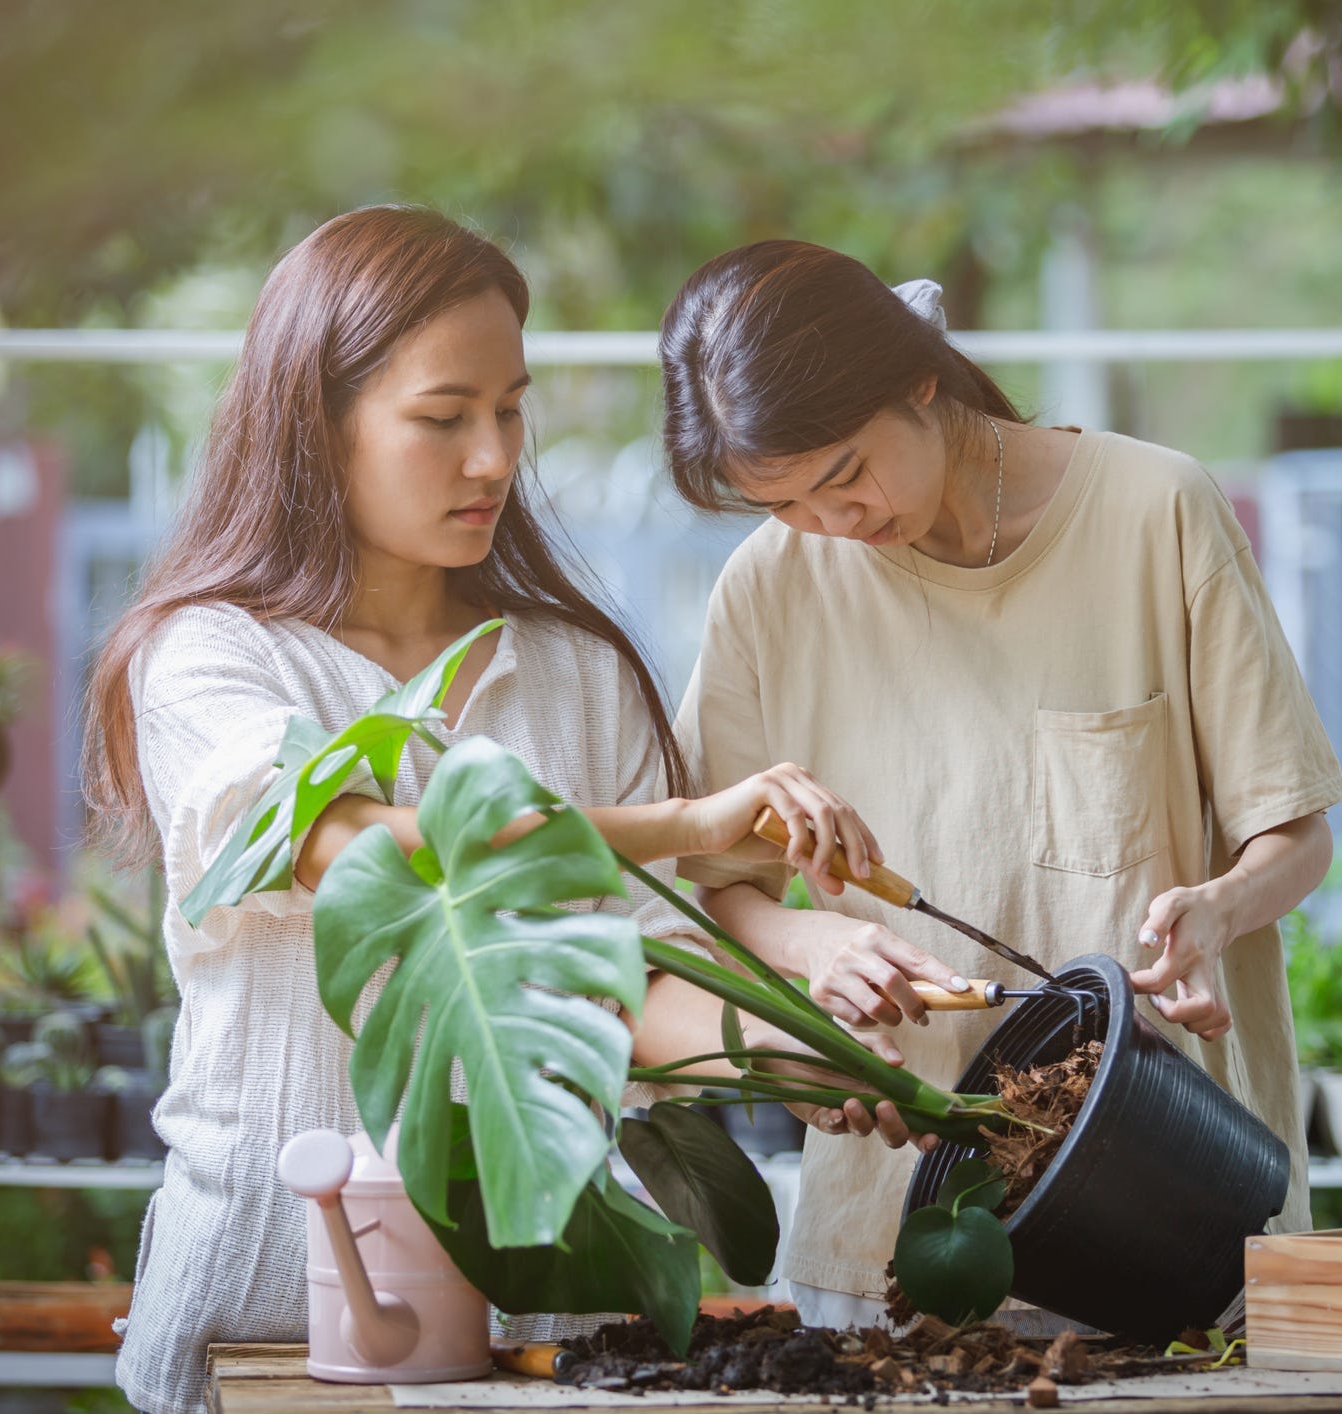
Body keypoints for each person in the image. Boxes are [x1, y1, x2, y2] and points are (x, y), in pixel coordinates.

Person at [84, 209, 919, 1414]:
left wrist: (780, 1053)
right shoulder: (207, 659)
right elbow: (355, 852)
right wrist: (683, 824)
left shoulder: (574, 670)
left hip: (542, 1333)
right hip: (267, 1310)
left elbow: (639, 969)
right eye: (443, 417)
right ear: (315, 423)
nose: (493, 457)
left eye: (510, 409)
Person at [659, 241, 1342, 1332]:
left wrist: (1214, 910)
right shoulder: (768, 588)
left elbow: (1297, 836)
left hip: (1177, 1199)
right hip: (894, 1236)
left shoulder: (1155, 510)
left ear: (918, 374)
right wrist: (813, 945)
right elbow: (716, 884)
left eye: (843, 474)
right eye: (783, 500)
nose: (834, 522)